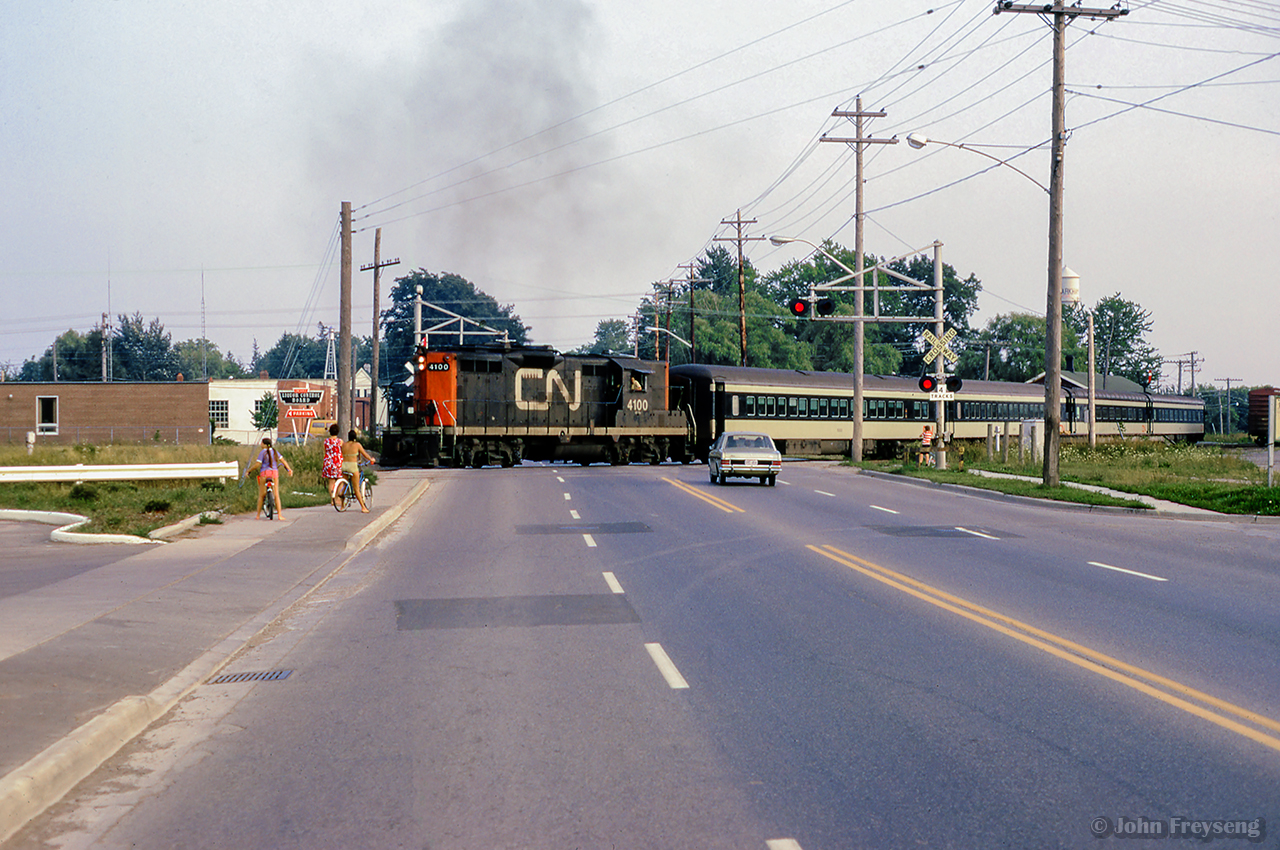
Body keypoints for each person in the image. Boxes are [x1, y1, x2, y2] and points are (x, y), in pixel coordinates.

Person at [249, 437, 293, 518]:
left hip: (264, 474)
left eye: (261, 443)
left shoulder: (262, 452)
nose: (260, 444)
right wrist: (289, 469)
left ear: (265, 444)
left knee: (261, 495)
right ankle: (279, 515)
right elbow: (283, 461)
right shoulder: (275, 452)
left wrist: (249, 471)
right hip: (274, 474)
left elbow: (257, 464)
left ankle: (258, 515)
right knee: (276, 495)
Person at [341, 429, 376, 513]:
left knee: (345, 485)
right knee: (356, 488)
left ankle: (342, 506)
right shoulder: (357, 445)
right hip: (352, 466)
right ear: (355, 438)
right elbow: (365, 454)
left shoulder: (344, 445)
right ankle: (363, 507)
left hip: (344, 466)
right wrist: (371, 459)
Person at [321, 423, 343, 498]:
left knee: (331, 482)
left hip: (328, 462)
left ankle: (332, 499)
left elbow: (325, 451)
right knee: (340, 481)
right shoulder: (340, 441)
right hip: (337, 462)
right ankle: (338, 498)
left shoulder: (326, 441)